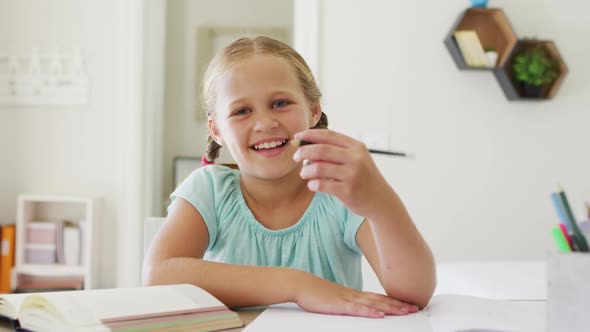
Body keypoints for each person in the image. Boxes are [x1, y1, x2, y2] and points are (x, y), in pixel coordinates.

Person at [142, 36, 435, 318]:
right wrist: (296, 285)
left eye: (280, 103)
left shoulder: (340, 193)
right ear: (216, 130)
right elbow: (159, 275)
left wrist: (379, 201)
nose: (265, 123)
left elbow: (413, 295)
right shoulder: (208, 190)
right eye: (242, 111)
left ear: (313, 110)